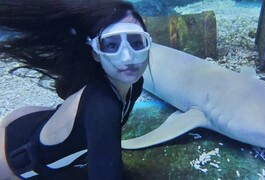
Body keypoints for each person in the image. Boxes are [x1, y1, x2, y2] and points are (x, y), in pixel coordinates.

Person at [0, 1, 151, 179]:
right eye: (111, 45)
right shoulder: (103, 106)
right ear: (95, 52)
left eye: (136, 42)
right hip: (14, 158)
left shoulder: (135, 85)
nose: (128, 57)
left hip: (30, 123)